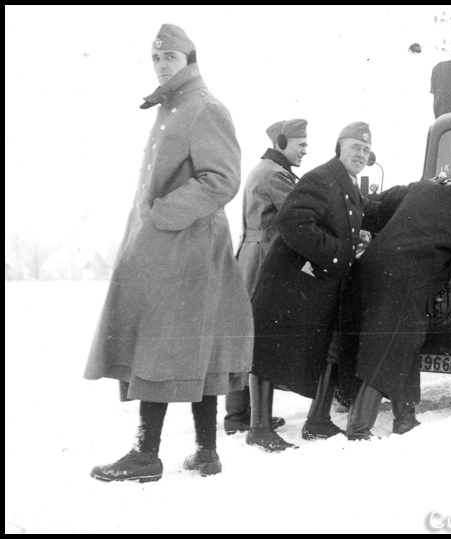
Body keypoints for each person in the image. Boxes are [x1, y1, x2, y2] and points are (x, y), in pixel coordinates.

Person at [85, 24, 252, 482]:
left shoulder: (203, 107)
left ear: (190, 61)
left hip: (187, 248)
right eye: (156, 59)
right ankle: (206, 452)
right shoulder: (175, 106)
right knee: (192, 346)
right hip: (174, 247)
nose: (161, 66)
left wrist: (162, 214)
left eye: (170, 59)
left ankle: (146, 455)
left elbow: (222, 179)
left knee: (161, 345)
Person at [249, 122, 386, 451]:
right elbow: (293, 222)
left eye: (366, 150)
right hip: (290, 279)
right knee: (270, 348)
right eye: (355, 147)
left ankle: (318, 421)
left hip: (316, 281)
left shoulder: (347, 183)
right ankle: (259, 428)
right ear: (340, 146)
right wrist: (338, 253)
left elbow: (366, 212)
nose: (361, 154)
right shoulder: (322, 178)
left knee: (330, 346)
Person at [346, 158, 451, 441]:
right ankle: (358, 429)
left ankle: (405, 419)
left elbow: (386, 205)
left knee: (407, 341)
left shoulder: (423, 190)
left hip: (371, 270)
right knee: (389, 349)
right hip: (404, 283)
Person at [223, 119, 308, 435]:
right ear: (282, 142)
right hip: (263, 258)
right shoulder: (275, 175)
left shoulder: (265, 169)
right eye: (300, 144)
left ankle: (240, 413)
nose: (304, 150)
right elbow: (299, 213)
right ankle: (244, 416)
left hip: (251, 255)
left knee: (246, 333)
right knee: (258, 335)